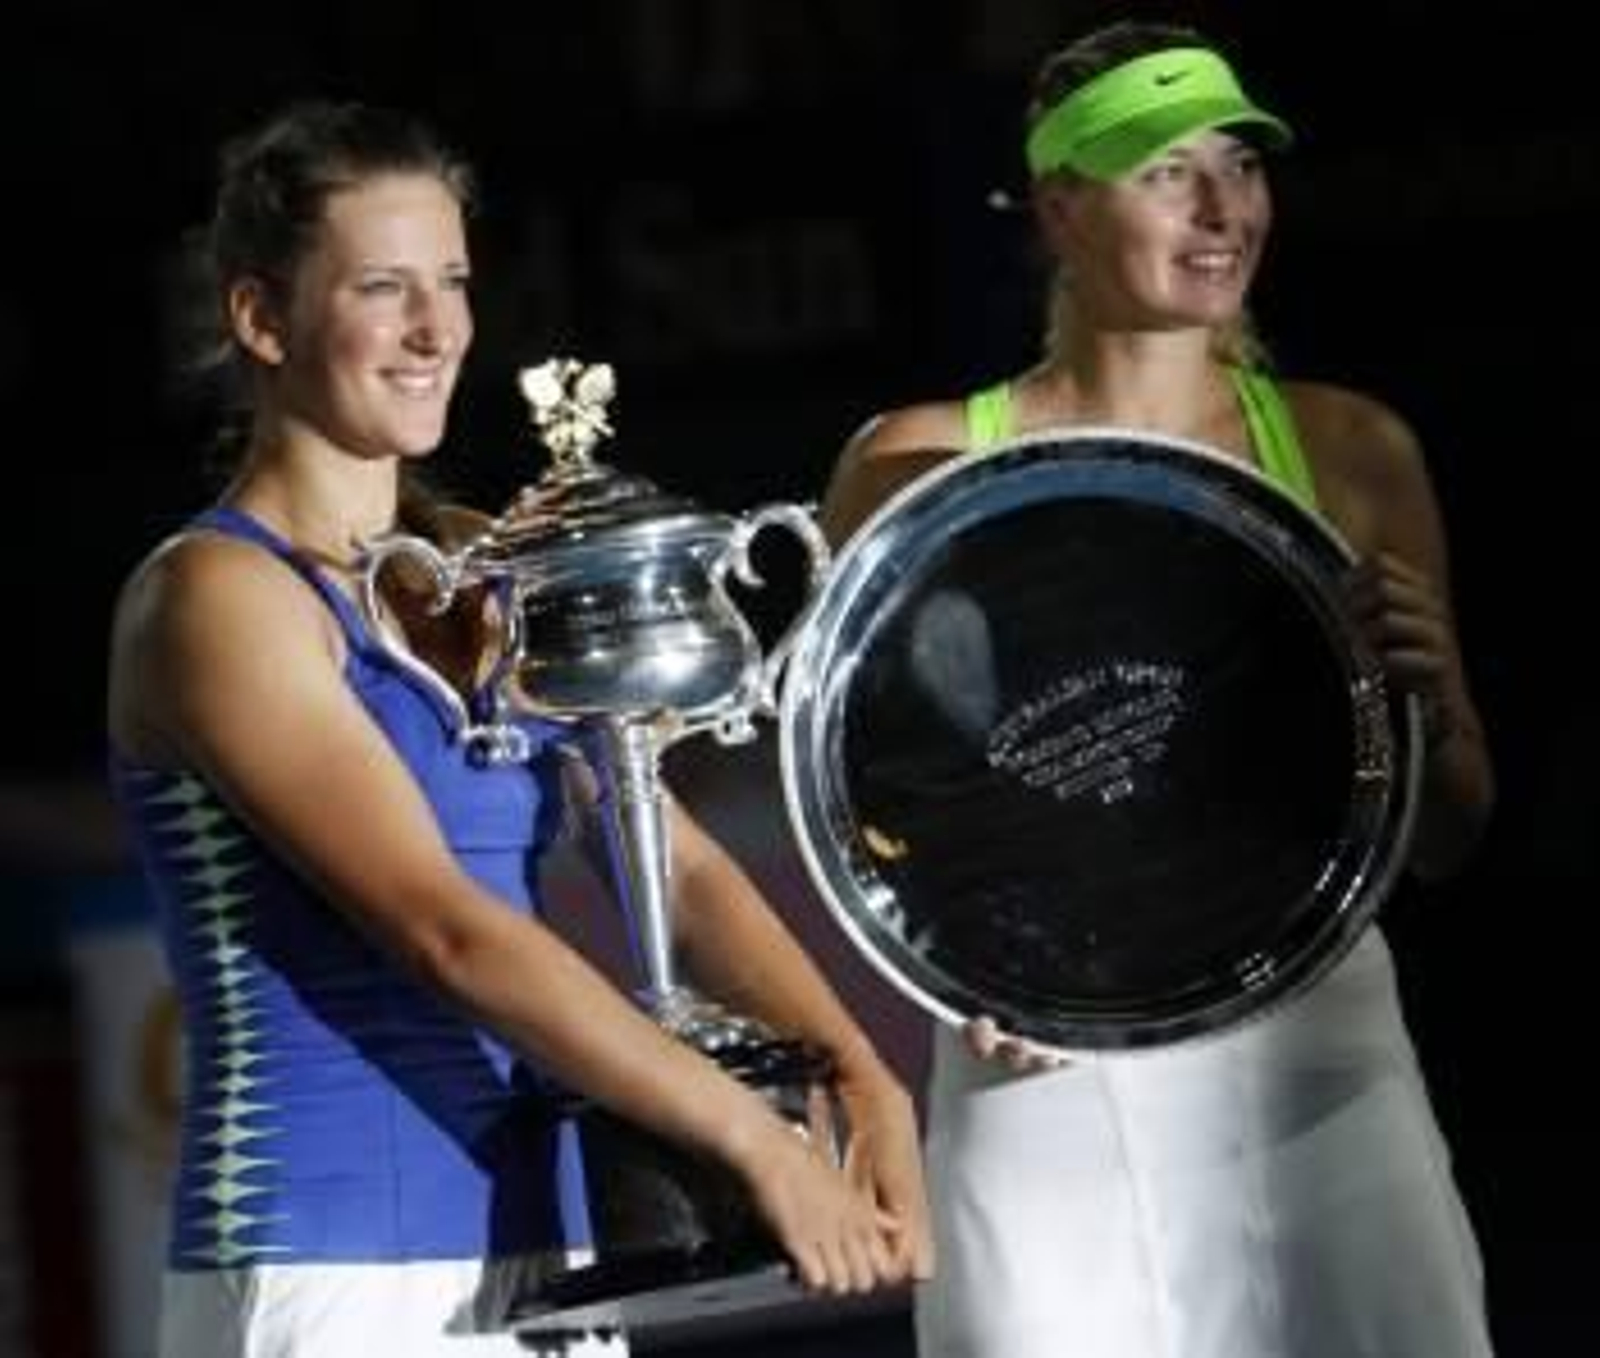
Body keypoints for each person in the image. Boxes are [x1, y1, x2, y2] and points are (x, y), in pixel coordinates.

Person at [105, 98, 932, 1358]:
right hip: (325, 1269)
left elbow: (670, 859)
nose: (436, 329)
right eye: (383, 288)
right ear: (261, 318)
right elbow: (444, 928)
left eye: (451, 281)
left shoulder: (479, 571)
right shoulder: (215, 597)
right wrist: (752, 1135)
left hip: (547, 1256)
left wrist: (859, 1072)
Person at [820, 19, 1496, 1358]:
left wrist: (1423, 708)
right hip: (1046, 1086)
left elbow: (1450, 833)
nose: (1219, 207)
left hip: (1319, 1076)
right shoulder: (916, 465)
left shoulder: (1351, 450)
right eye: (1163, 170)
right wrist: (964, 967)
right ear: (1062, 203)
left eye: (1238, 166)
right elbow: (866, 804)